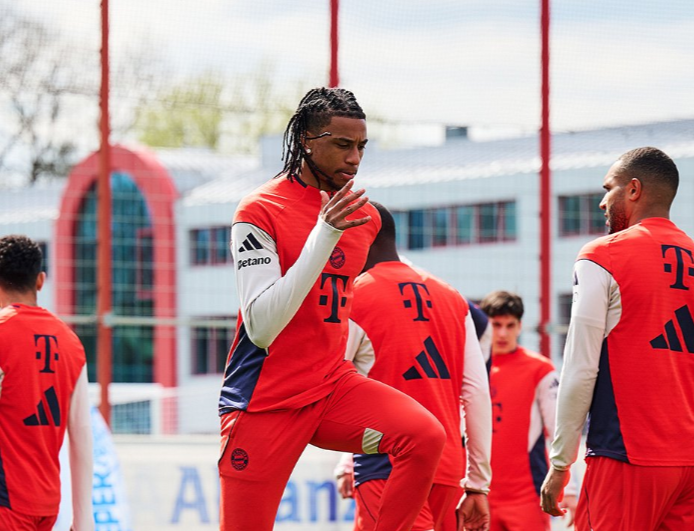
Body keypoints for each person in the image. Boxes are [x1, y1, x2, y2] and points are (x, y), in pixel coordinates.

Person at [218, 87, 447, 531]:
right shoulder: (260, 209)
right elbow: (261, 326)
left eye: (361, 146)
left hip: (332, 388)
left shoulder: (365, 218)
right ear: (306, 139)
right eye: (343, 145)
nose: (355, 159)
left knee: (424, 437)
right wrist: (324, 234)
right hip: (264, 401)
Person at [541, 147, 694, 530]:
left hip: (628, 454)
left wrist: (560, 463)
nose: (602, 202)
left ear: (634, 189)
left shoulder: (603, 254)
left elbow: (580, 367)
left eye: (609, 189)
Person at [334, 202, 492, 531]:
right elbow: (476, 392)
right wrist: (477, 482)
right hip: (447, 466)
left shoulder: (354, 295)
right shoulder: (453, 297)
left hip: (388, 464)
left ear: (360, 237)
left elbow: (336, 385)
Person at [0, 234, 93, 531]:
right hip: (46, 507)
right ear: (41, 280)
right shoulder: (72, 343)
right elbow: (82, 435)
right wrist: (83, 521)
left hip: (6, 503)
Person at [479, 291, 576, 531]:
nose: (503, 333)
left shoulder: (539, 369)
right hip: (477, 494)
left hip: (526, 496)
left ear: (520, 326)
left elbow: (559, 430)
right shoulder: (471, 368)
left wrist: (570, 489)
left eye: (510, 325)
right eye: (496, 325)